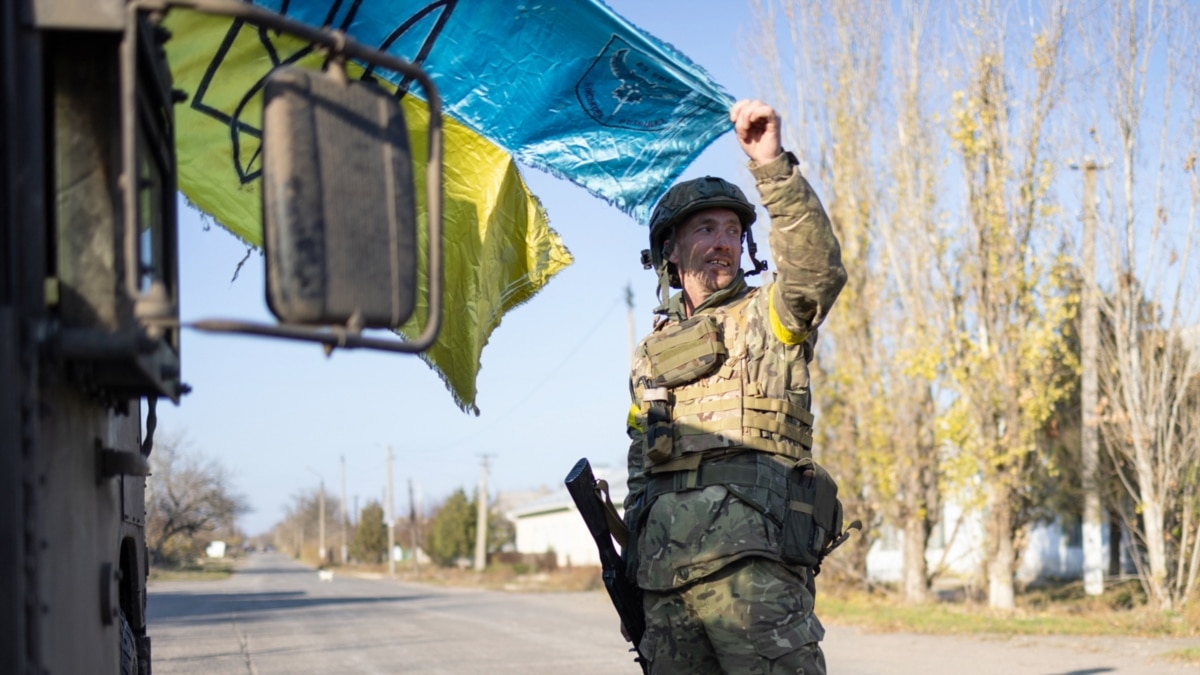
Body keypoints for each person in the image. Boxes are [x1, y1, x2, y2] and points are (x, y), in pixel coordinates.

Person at [623, 99, 847, 674]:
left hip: (756, 574)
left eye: (732, 230)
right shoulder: (649, 353)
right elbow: (640, 469)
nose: (722, 241)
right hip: (665, 586)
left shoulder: (770, 314)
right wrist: (631, 569)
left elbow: (818, 271)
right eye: (705, 229)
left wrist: (771, 166)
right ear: (670, 251)